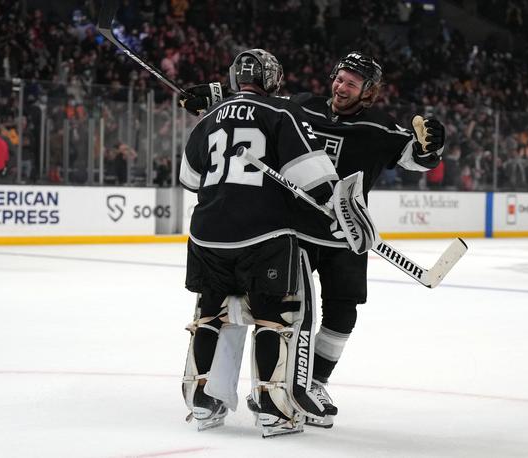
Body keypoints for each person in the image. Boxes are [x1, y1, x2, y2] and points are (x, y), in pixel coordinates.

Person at [179, 51, 446, 429]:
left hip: (343, 234)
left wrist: (430, 146)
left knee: (342, 313)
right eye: (339, 78)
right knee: (285, 312)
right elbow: (254, 105)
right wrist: (211, 94)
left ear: (368, 91)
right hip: (293, 230)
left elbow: (414, 157)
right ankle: (280, 391)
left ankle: (313, 382)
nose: (341, 86)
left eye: (352, 83)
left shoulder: (381, 127)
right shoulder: (302, 106)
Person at [180, 48, 341, 438]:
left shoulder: (207, 121)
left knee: (211, 315)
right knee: (274, 316)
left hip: (208, 236)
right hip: (263, 234)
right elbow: (317, 181)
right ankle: (273, 408)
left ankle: (203, 401)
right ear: (272, 81)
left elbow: (189, 178)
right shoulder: (281, 113)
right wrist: (337, 208)